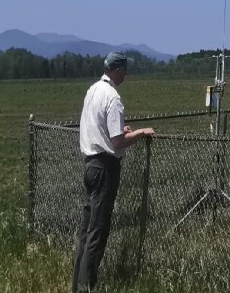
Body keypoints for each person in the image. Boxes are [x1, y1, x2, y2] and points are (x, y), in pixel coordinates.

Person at [73, 51, 155, 293]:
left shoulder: (93, 90)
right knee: (98, 231)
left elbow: (101, 127)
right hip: (105, 168)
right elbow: (117, 142)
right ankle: (88, 286)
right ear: (117, 70)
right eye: (125, 70)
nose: (126, 74)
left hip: (90, 164)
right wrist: (140, 133)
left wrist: (121, 130)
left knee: (86, 230)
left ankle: (76, 285)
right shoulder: (113, 98)